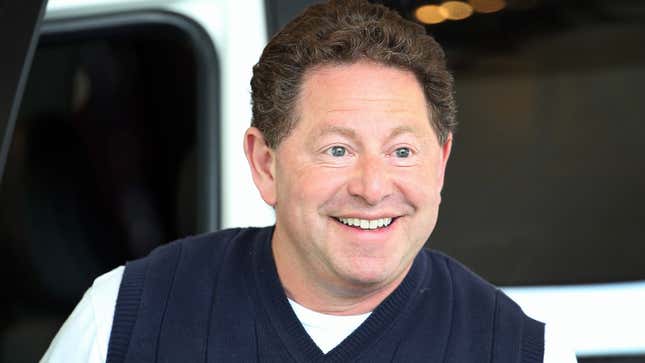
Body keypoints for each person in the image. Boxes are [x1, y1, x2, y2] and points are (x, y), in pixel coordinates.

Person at [42, 1, 577, 362]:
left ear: (440, 163)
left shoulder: (521, 350)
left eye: (402, 151)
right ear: (265, 163)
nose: (372, 187)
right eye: (337, 149)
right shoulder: (123, 319)